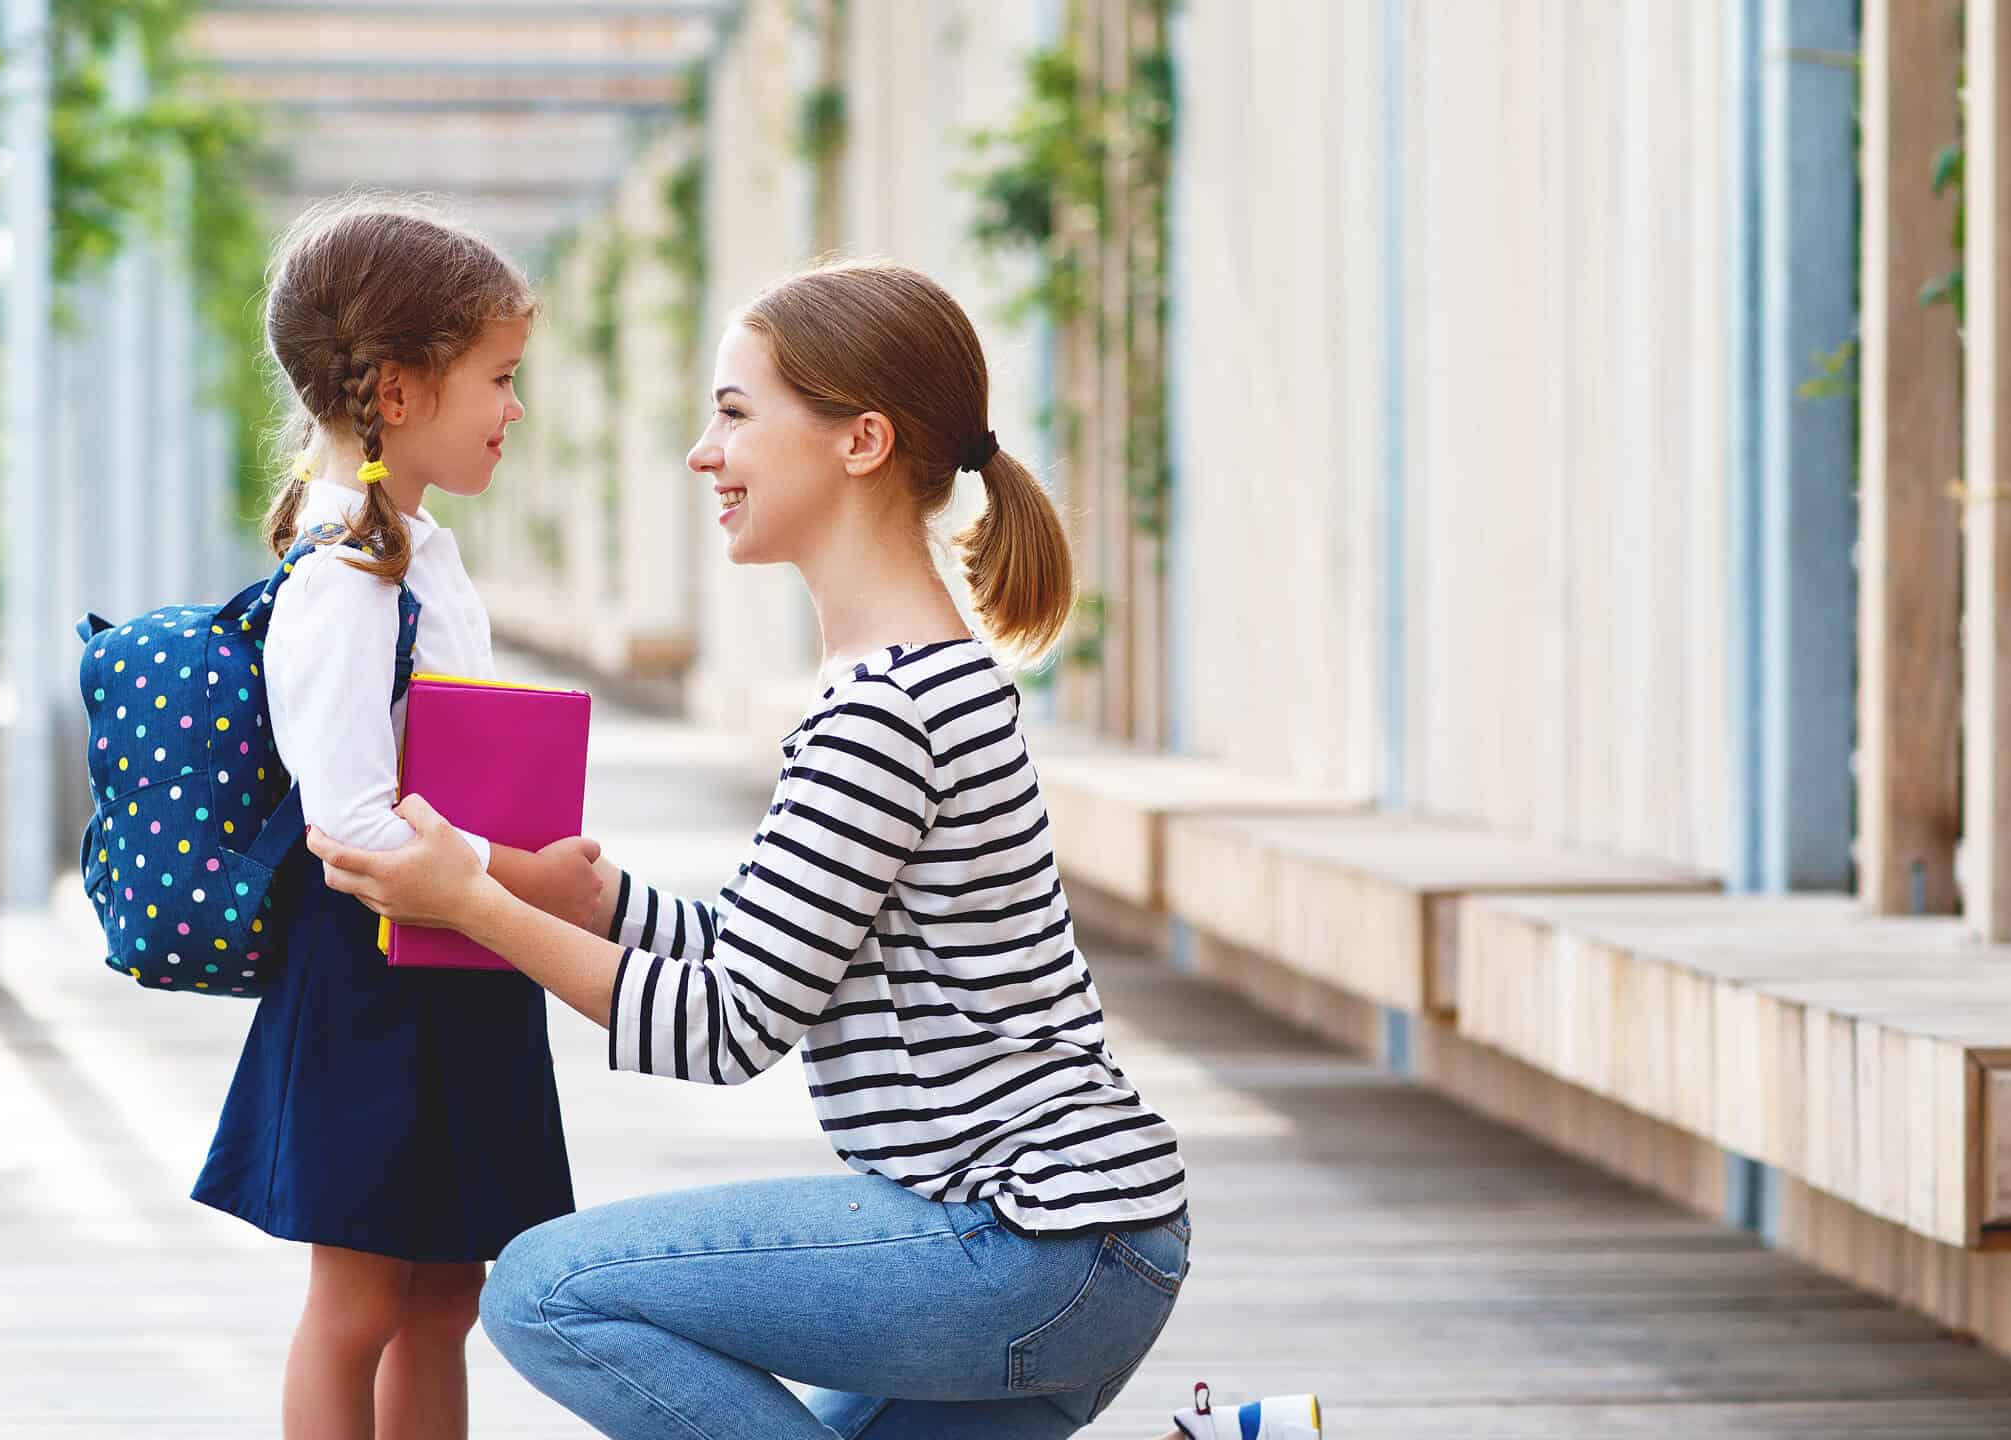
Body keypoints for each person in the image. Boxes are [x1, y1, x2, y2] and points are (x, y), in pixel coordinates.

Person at [308, 259, 1322, 1439]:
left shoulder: (881, 715)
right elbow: (788, 952)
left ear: (861, 442)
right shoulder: (918, 681)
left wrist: (475, 901)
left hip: (1025, 1239)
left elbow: (726, 1028)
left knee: (547, 1291)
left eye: (733, 415)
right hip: (1081, 1242)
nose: (703, 454)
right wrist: (608, 904)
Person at [190, 196, 603, 1440]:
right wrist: (519, 874)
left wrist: (500, 871)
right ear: (400, 389)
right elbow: (351, 822)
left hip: (453, 959)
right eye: (499, 377)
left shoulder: (414, 551)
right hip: (377, 976)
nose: (514, 409)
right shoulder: (345, 578)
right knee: (360, 1294)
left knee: (447, 1293)